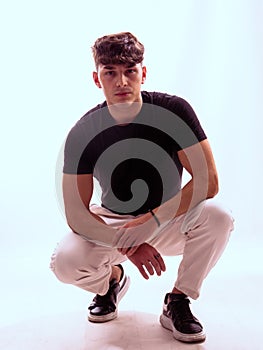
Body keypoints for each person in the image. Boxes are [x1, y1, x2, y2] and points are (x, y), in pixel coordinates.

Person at [50, 32, 234, 343]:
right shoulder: (83, 132)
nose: (121, 81)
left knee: (219, 216)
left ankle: (178, 300)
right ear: (98, 79)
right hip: (116, 222)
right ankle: (112, 281)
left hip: (170, 218)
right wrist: (129, 244)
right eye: (110, 72)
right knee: (66, 262)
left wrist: (153, 221)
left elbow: (209, 181)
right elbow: (76, 214)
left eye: (130, 71)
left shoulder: (173, 111)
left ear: (143, 74)